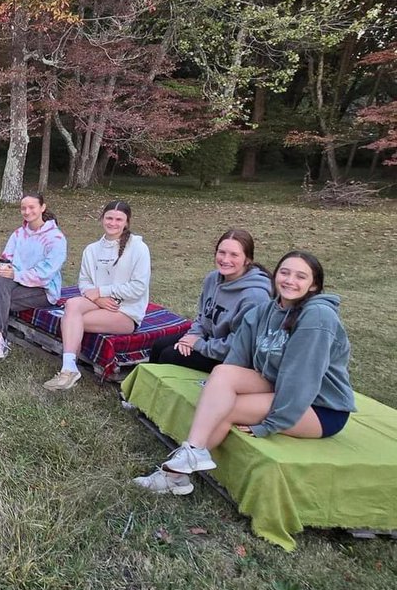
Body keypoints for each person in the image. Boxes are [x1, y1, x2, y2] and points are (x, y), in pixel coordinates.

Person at [135, 251, 355, 496]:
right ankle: (194, 451)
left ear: (313, 284)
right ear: (275, 276)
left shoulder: (317, 316)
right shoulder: (265, 311)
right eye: (284, 272)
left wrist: (271, 424)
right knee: (222, 374)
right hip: (277, 384)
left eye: (300, 276)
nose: (290, 280)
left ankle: (175, 477)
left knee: (229, 410)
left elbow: (302, 379)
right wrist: (215, 389)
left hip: (319, 405)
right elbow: (236, 361)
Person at [43, 200, 150, 391]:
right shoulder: (92, 249)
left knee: (69, 321)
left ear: (127, 222)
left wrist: (102, 291)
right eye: (109, 218)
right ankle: (69, 368)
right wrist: (98, 299)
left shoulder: (138, 248)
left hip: (124, 311)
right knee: (72, 305)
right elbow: (84, 284)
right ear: (102, 219)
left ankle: (69, 369)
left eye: (119, 219)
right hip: (98, 303)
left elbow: (138, 288)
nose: (113, 223)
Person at [148, 229, 272, 373]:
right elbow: (202, 317)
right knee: (159, 345)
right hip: (210, 340)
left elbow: (240, 345)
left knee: (169, 355)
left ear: (247, 259)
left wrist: (199, 345)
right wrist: (193, 336)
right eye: (222, 252)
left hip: (233, 358)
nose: (225, 260)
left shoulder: (254, 296)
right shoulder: (212, 279)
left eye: (234, 255)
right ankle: (141, 391)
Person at [0, 193, 66, 359]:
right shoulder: (18, 234)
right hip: (16, 284)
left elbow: (45, 273)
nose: (27, 211)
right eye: (23, 208)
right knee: (1, 282)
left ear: (42, 208)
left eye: (32, 207)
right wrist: (5, 268)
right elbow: (6, 257)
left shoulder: (56, 238)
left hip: (43, 289)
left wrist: (16, 273)